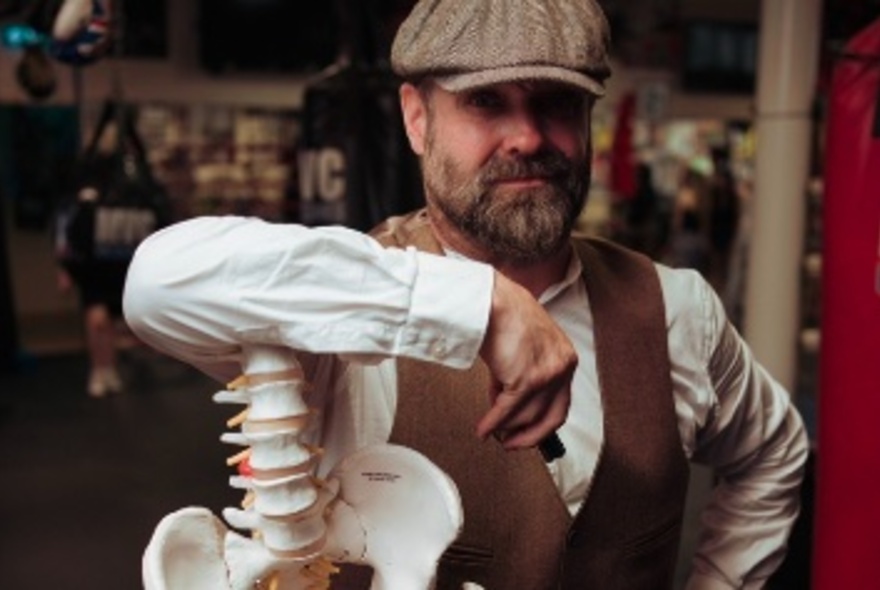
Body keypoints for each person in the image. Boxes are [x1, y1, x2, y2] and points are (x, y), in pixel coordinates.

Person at [122, 1, 808, 588]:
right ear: (417, 120)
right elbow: (158, 281)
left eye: (556, 103)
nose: (529, 137)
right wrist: (479, 306)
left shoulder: (677, 308)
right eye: (486, 102)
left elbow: (774, 454)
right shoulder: (339, 319)